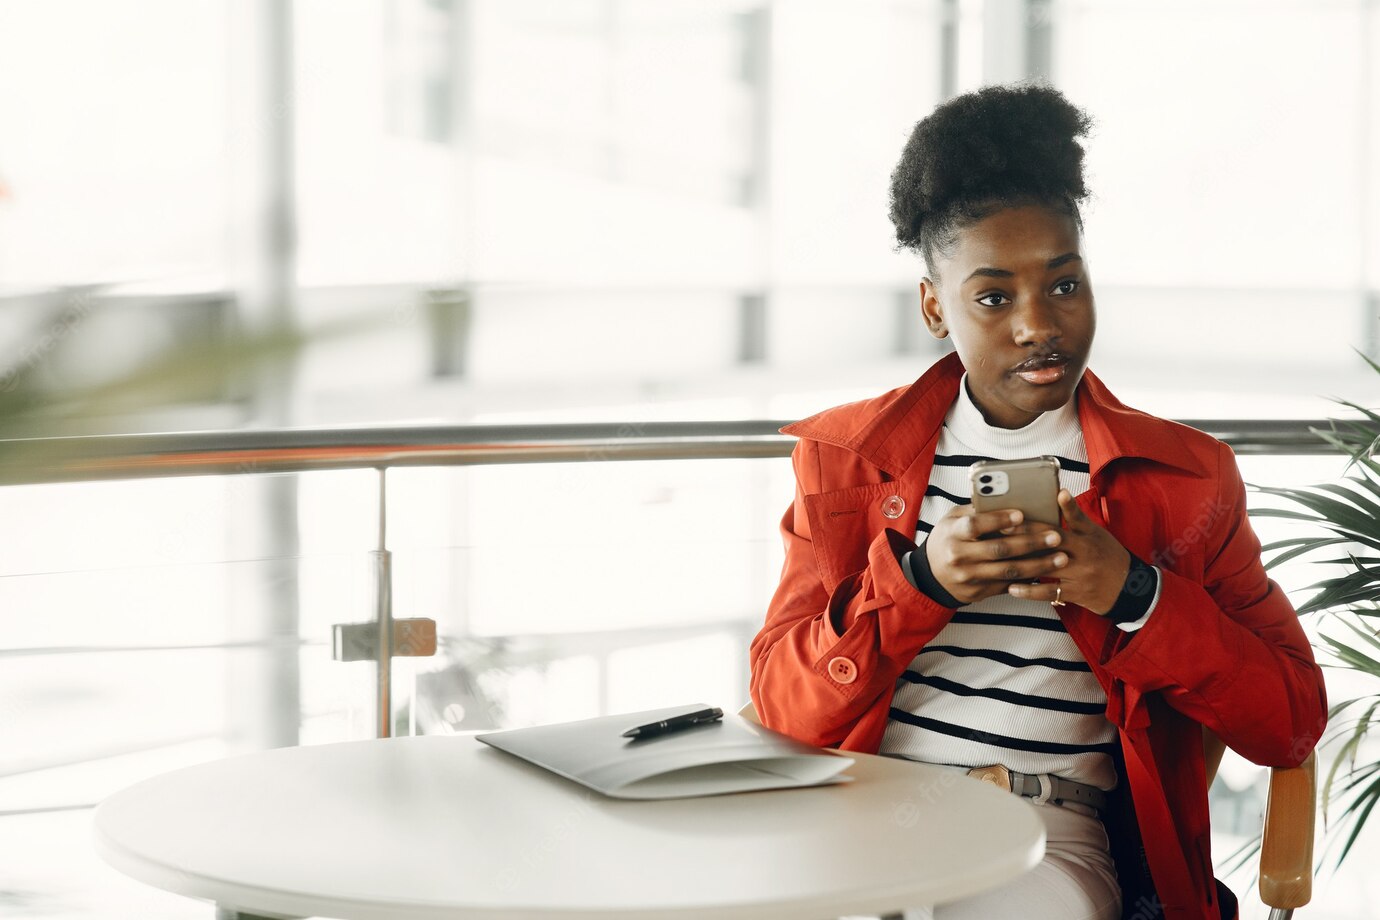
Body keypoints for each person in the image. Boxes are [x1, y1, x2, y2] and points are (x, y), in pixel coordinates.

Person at [748, 83, 1327, 920]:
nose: (1037, 324)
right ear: (935, 305)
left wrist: (1133, 593)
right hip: (860, 818)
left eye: (1063, 285)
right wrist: (922, 585)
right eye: (993, 296)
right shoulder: (846, 459)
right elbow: (783, 705)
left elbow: (1290, 723)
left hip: (1048, 833)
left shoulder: (1187, 479)